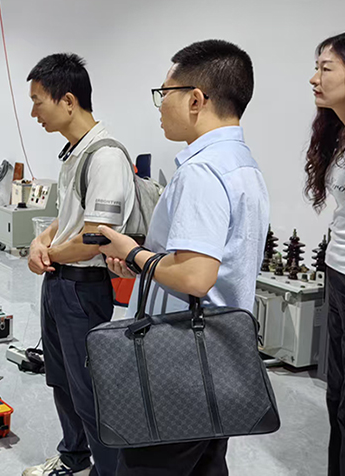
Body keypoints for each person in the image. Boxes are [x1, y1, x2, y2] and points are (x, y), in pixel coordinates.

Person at [97, 39, 269, 475]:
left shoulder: (201, 171)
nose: (160, 105)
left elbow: (195, 276)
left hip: (180, 363)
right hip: (220, 355)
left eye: (164, 93)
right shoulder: (241, 163)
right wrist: (144, 263)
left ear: (195, 99)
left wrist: (135, 253)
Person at [24, 53, 135, 476]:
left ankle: (108, 470)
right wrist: (42, 240)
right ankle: (73, 456)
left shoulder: (105, 156)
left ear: (67, 101)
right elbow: (69, 217)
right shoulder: (75, 151)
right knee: (62, 379)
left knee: (89, 390)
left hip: (83, 290)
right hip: (59, 284)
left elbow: (94, 238)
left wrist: (48, 254)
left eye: (38, 102)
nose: (34, 113)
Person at [305, 30, 345, 476]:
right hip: (338, 274)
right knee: (337, 395)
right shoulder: (341, 135)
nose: (314, 78)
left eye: (326, 68)